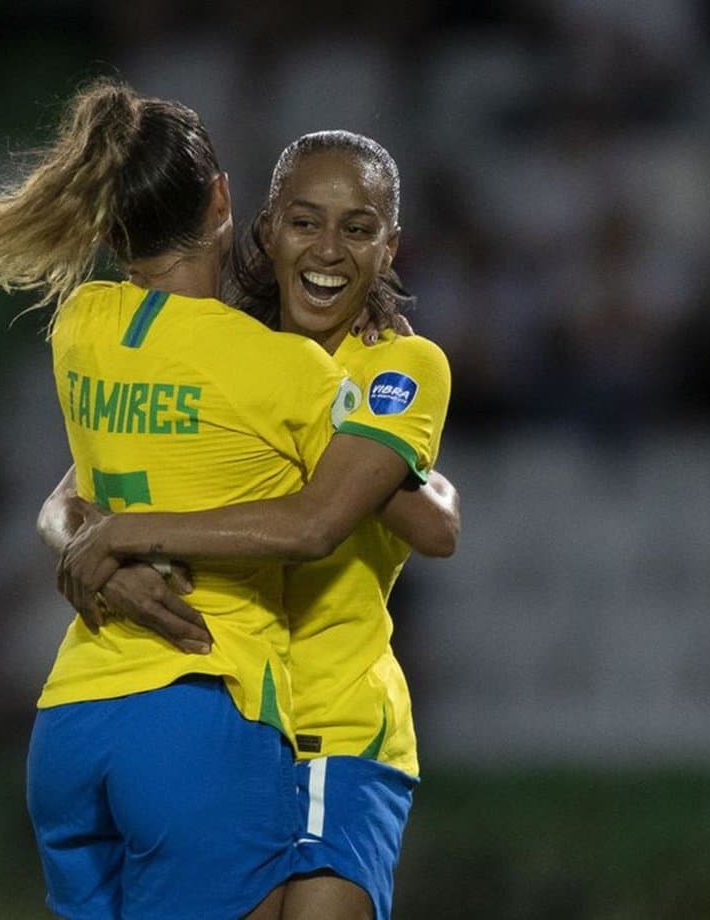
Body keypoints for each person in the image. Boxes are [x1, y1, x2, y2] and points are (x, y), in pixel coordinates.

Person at [0, 80, 370, 920]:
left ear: (105, 219)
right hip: (205, 707)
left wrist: (98, 547)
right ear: (220, 199)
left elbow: (68, 500)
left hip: (74, 721)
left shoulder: (80, 328)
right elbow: (331, 522)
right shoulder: (283, 371)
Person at [54, 131, 454, 920]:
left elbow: (379, 523)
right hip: (229, 721)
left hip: (334, 730)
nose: (329, 250)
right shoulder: (230, 354)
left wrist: (130, 535)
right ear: (265, 228)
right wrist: (86, 544)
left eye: (359, 228)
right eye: (306, 222)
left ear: (389, 246)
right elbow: (69, 494)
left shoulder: (397, 369)